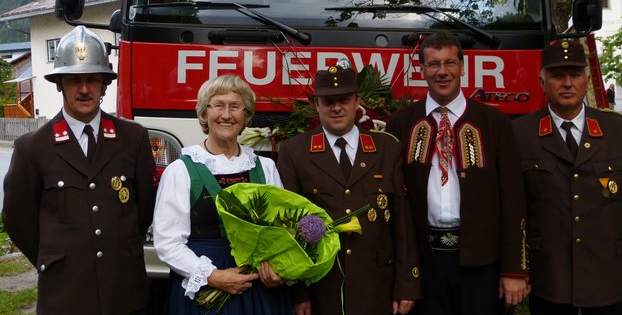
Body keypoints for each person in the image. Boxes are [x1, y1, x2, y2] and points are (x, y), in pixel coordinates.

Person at [2, 25, 156, 315]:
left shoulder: (133, 138)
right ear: (59, 83)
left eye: (91, 79)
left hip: (124, 292)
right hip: (65, 295)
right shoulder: (32, 147)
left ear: (104, 83)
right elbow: (17, 219)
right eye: (74, 80)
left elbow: (143, 208)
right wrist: (56, 259)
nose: (84, 89)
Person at [385, 31, 528, 315]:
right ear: (422, 70)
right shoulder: (401, 124)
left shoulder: (494, 123)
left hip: (482, 266)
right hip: (423, 265)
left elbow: (513, 199)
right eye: (434, 64)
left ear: (462, 67)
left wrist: (515, 269)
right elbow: (393, 202)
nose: (442, 72)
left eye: (450, 63)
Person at [277, 63, 421, 315]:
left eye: (343, 99)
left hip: (377, 284)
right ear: (317, 104)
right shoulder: (294, 151)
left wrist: (407, 285)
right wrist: (298, 293)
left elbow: (403, 222)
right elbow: (287, 227)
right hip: (322, 286)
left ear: (357, 101)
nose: (336, 108)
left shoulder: (387, 148)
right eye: (328, 101)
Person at [513, 39, 622, 315]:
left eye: (575, 75)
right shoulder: (520, 134)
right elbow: (514, 210)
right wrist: (516, 269)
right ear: (542, 82)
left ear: (587, 80)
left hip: (608, 274)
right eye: (558, 76)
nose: (567, 83)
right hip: (550, 277)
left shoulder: (618, 130)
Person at [153, 74, 291, 315]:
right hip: (205, 293)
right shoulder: (181, 171)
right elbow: (168, 243)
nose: (226, 115)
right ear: (204, 114)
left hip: (258, 288)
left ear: (246, 116)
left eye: (235, 107)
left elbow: (281, 231)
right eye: (218, 105)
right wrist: (213, 276)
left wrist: (277, 268)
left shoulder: (265, 168)